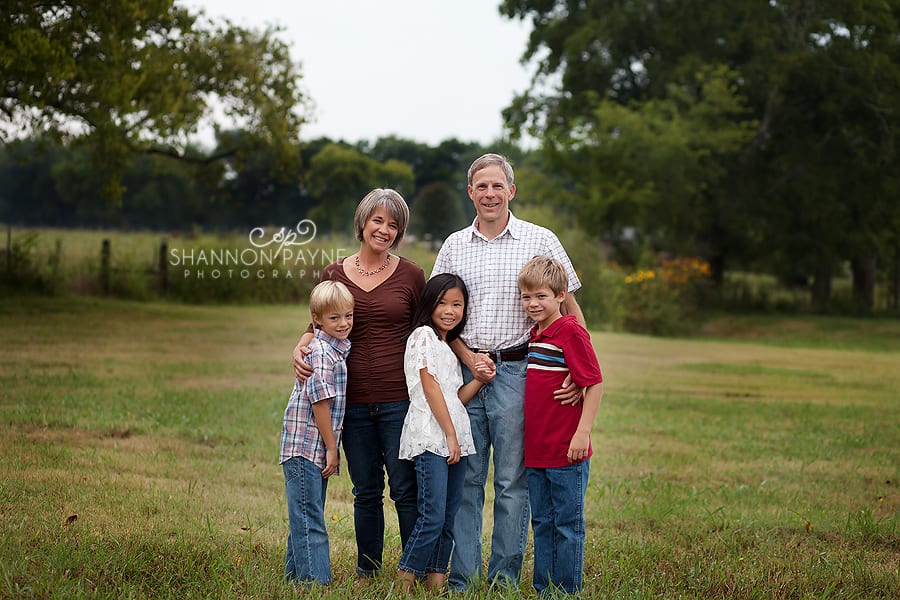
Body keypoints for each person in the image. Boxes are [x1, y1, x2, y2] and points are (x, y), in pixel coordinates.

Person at [431, 153, 586, 591]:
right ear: (470, 193)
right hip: (466, 372)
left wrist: (579, 364)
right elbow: (439, 313)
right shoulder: (454, 245)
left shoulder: (540, 239)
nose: (490, 193)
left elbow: (570, 307)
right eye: (481, 186)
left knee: (512, 481)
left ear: (511, 191)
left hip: (521, 372)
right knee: (465, 479)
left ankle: (503, 580)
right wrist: (466, 356)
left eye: (497, 185)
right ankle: (460, 579)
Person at [292, 189, 425, 580]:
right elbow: (315, 325)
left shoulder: (412, 275)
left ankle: (411, 569)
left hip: (399, 400)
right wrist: (298, 350)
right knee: (365, 491)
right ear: (363, 222)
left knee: (405, 489)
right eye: (378, 220)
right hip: (351, 404)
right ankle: (367, 570)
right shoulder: (333, 273)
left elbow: (426, 333)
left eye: (393, 224)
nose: (383, 230)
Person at [396, 274, 494, 592]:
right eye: (442, 303)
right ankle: (403, 583)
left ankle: (436, 584)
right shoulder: (423, 336)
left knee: (448, 517)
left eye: (457, 304)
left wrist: (479, 378)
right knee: (432, 515)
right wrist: (450, 435)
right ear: (429, 304)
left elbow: (455, 397)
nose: (450, 310)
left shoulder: (446, 346)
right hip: (431, 435)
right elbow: (430, 387)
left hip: (455, 439)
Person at [518, 256, 603, 596]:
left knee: (567, 525)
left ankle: (566, 590)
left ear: (560, 295)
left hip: (568, 449)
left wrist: (582, 433)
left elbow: (594, 382)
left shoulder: (570, 330)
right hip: (537, 451)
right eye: (526, 297)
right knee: (542, 523)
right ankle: (544, 588)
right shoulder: (534, 336)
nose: (533, 303)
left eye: (541, 296)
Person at [280, 280, 355, 587]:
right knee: (310, 519)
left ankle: (293, 579)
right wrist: (332, 448)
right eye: (334, 317)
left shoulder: (335, 350)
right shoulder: (321, 351)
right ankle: (315, 583)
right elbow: (319, 400)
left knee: (305, 515)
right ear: (317, 319)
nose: (344, 323)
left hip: (311, 447)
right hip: (307, 447)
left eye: (348, 315)